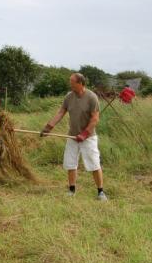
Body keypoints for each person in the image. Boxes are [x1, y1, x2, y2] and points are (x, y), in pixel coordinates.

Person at [41, 72, 107, 201]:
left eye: (72, 82)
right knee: (70, 163)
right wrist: (49, 127)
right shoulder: (69, 97)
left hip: (88, 138)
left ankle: (100, 192)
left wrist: (85, 133)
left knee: (94, 164)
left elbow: (95, 119)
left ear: (80, 83)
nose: (70, 84)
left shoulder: (91, 97)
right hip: (72, 136)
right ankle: (72, 190)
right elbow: (61, 112)